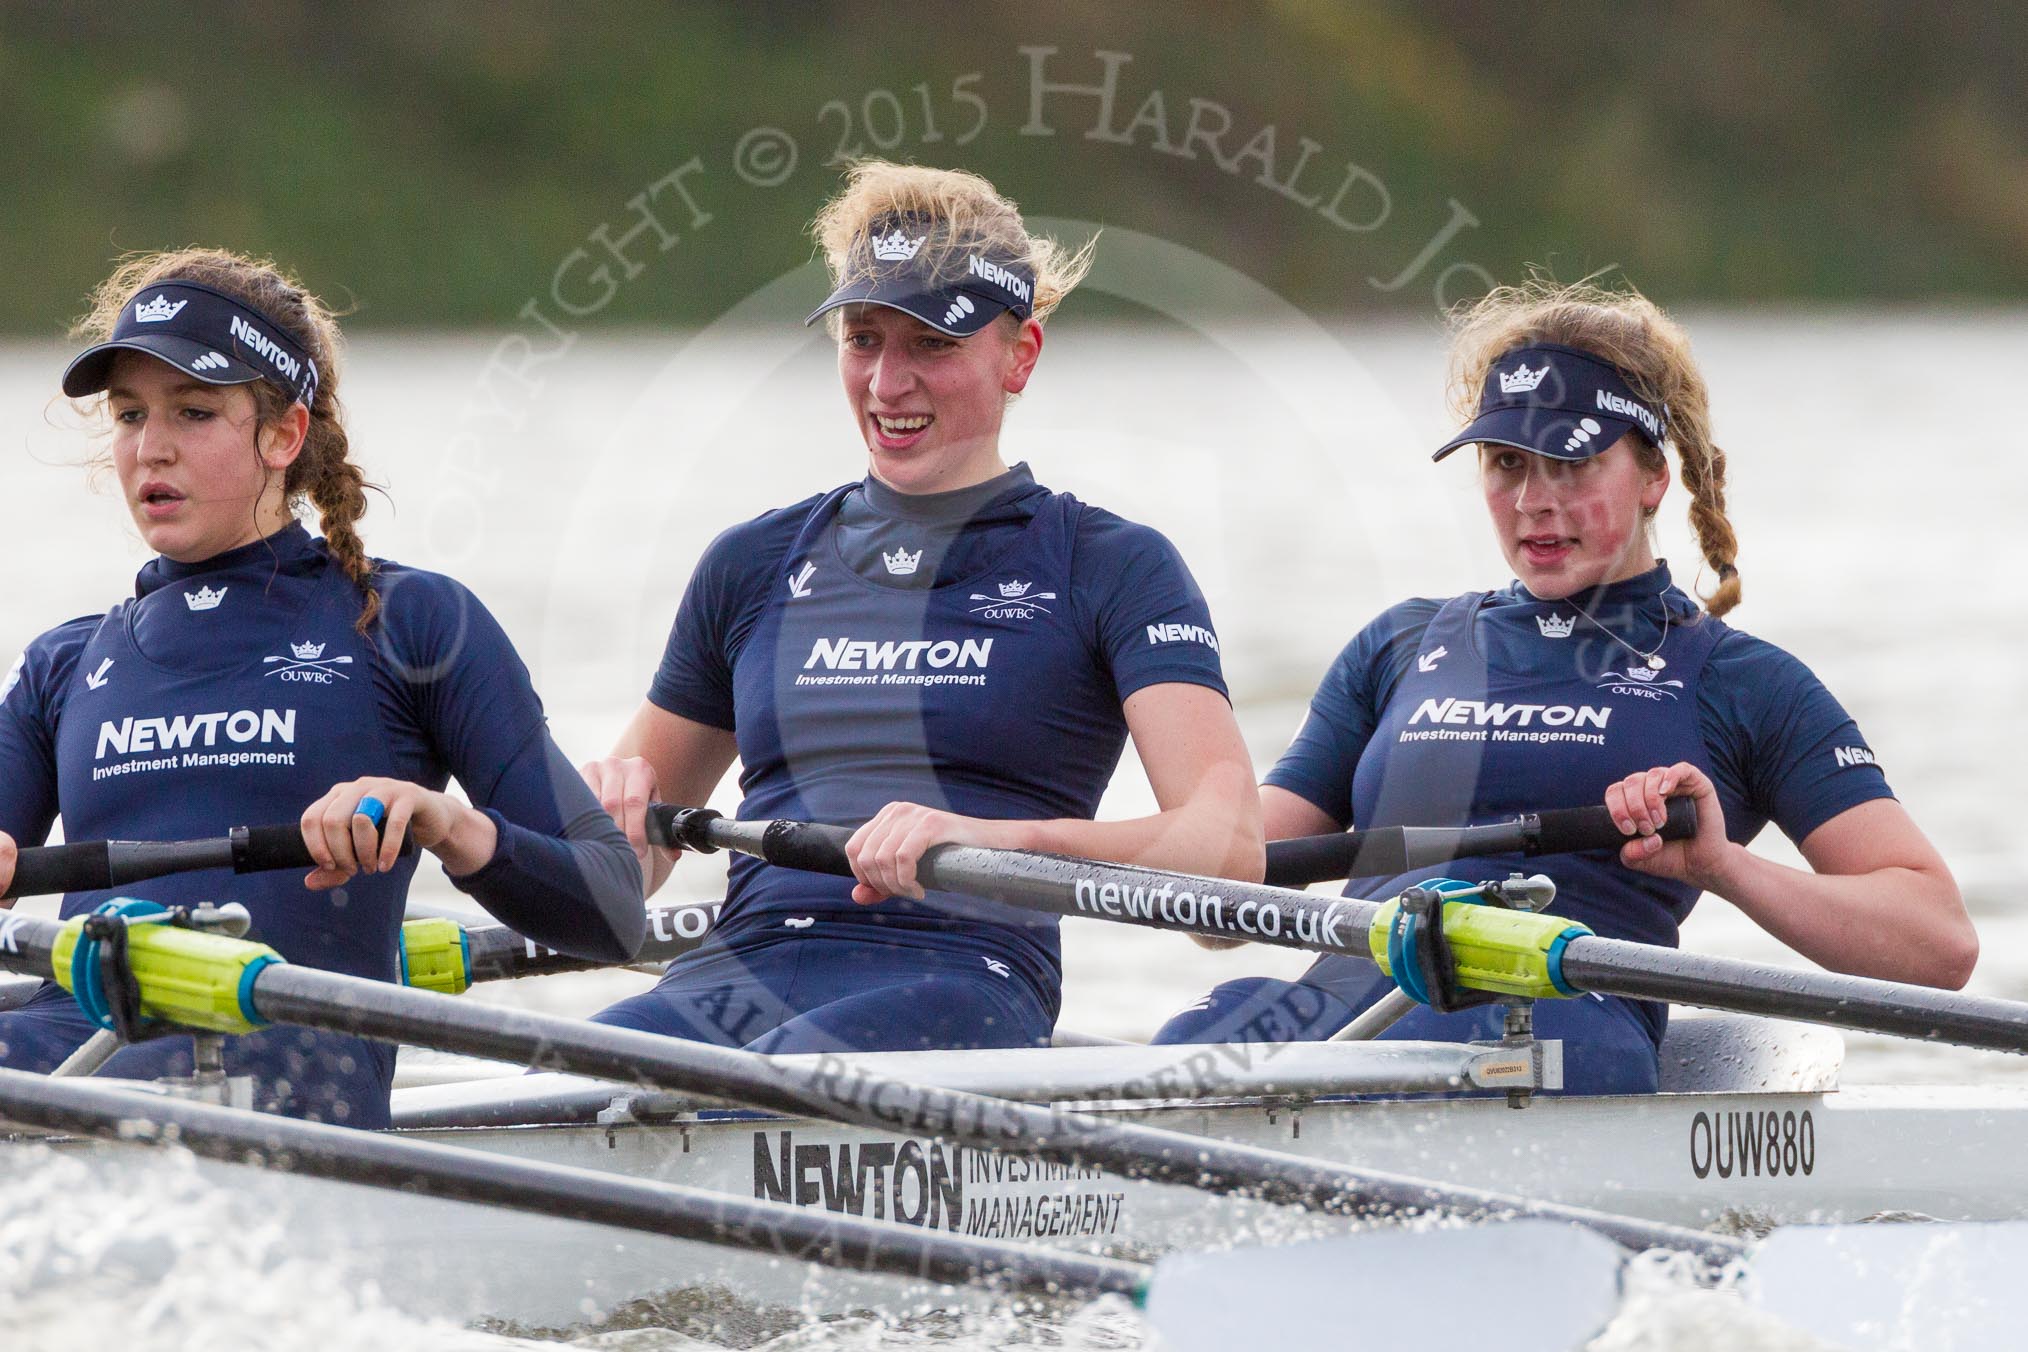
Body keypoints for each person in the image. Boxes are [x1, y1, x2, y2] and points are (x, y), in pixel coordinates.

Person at [1153, 279, 1976, 1093]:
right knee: (1203, 1025)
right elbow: (1224, 899)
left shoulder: (1744, 683)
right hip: (1345, 1015)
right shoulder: (1400, 644)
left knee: (1461, 1038)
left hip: (1559, 1025)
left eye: (1572, 463)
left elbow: (1940, 944)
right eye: (1507, 463)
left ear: (1652, 476)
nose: (1534, 502)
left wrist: (1722, 866)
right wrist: (1112, 839)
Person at [582, 161, 1263, 1054]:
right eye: (863, 339)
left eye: (932, 344)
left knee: (769, 1082)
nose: (887, 382)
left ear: (1020, 356)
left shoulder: (1111, 567)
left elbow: (1229, 855)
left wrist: (991, 840)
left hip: (960, 981)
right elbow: (609, 882)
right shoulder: (751, 564)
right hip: (730, 976)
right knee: (537, 1095)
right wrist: (601, 828)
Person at [0, 248, 644, 1125]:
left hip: (283, 1068)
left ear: (284, 434)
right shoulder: (63, 664)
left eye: (194, 411)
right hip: (64, 1057)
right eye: (129, 415)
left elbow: (612, 907)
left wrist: (443, 823)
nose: (151, 448)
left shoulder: (411, 625)